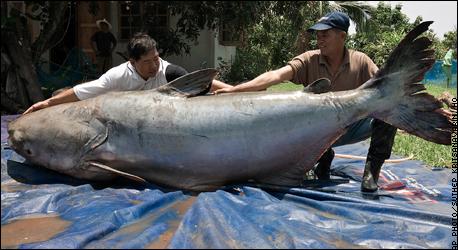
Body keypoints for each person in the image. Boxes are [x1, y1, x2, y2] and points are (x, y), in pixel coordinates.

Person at [214, 11, 399, 192]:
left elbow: (383, 86)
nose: (319, 40)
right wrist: (234, 90)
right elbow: (276, 75)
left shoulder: (361, 61)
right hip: (317, 131)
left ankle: (372, 171)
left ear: (342, 36)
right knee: (291, 117)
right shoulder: (309, 59)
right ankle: (321, 157)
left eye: (325, 35)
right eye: (318, 35)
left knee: (388, 109)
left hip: (352, 126)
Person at [24, 33, 231, 115]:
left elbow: (203, 83)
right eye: (147, 62)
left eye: (156, 58)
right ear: (132, 62)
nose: (154, 65)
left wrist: (236, 90)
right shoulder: (117, 77)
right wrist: (46, 104)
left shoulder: (168, 71)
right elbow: (81, 92)